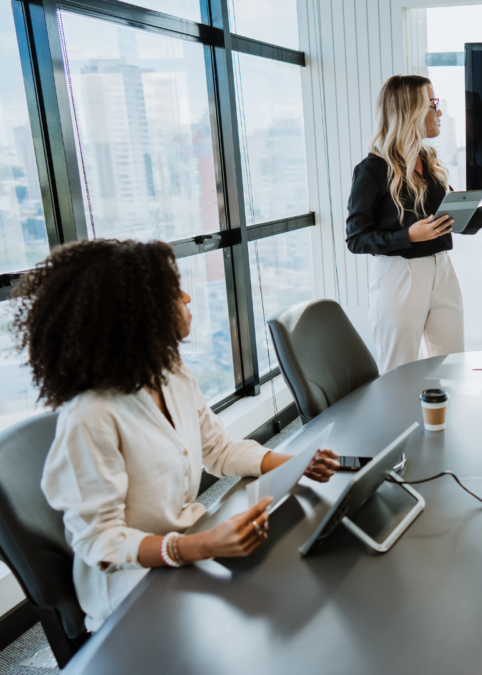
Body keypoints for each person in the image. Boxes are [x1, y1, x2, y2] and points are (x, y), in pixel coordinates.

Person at [11, 239, 340, 632]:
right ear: (134, 314)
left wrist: (295, 464)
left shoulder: (167, 371)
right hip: (132, 589)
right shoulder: (91, 417)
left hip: (191, 548)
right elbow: (99, 541)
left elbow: (216, 449)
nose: (186, 297)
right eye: (173, 292)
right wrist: (199, 546)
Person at [346, 75, 482, 372]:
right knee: (400, 370)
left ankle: (441, 420)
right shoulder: (372, 170)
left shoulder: (429, 164)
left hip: (442, 269)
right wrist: (408, 236)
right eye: (432, 104)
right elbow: (356, 239)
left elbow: (463, 223)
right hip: (400, 275)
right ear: (409, 111)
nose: (439, 112)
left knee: (450, 364)